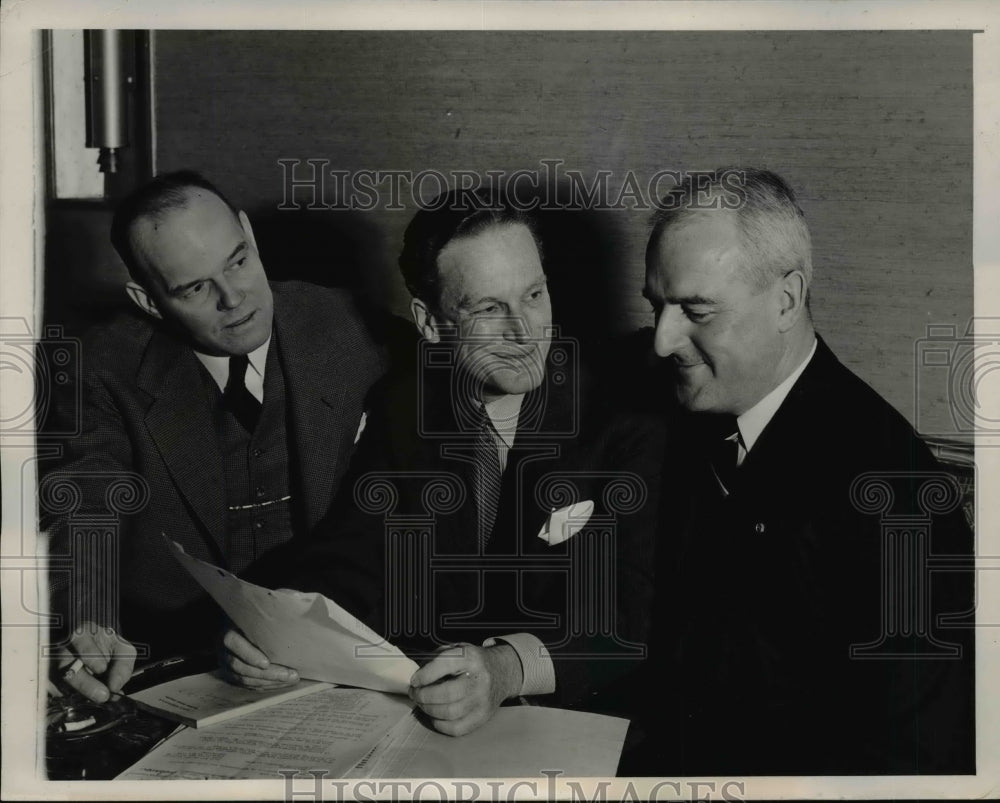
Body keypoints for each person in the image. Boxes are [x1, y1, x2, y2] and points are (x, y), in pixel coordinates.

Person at [224, 188, 664, 736]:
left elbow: (633, 613)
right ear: (430, 324)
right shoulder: (405, 407)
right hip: (429, 725)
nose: (526, 333)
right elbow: (353, 554)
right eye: (488, 309)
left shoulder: (627, 414)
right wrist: (278, 625)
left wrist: (505, 669)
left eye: (533, 295)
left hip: (575, 726)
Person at [625, 167, 975, 774]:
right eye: (658, 306)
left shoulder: (897, 496)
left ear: (786, 300)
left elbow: (913, 759)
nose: (662, 340)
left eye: (697, 311)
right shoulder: (688, 399)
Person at [44, 171, 384, 703]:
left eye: (239, 260)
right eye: (195, 287)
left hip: (334, 662)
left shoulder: (351, 328)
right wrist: (86, 617)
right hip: (172, 661)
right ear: (149, 300)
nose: (234, 298)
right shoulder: (101, 367)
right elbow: (87, 499)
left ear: (248, 232)